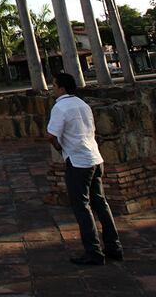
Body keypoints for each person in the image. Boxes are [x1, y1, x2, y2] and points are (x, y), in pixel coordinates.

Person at [46, 72, 122, 266]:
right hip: (95, 159)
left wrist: (60, 147)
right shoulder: (83, 104)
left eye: (54, 85)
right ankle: (114, 246)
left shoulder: (60, 107)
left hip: (78, 161)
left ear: (62, 88)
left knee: (81, 206)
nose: (52, 88)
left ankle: (94, 251)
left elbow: (52, 135)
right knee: (100, 203)